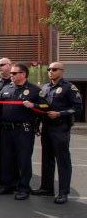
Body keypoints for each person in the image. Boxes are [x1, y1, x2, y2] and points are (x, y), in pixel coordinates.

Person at [32, 62, 83, 204]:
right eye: (49, 69)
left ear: (62, 71)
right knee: (47, 159)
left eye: (54, 69)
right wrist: (37, 123)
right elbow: (43, 106)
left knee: (63, 161)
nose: (50, 72)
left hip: (61, 128)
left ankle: (63, 192)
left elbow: (77, 108)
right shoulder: (46, 87)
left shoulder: (69, 88)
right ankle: (46, 188)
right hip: (47, 127)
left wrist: (60, 114)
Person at [0, 63, 42, 200]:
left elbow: (46, 106)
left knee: (23, 159)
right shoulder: (6, 88)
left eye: (14, 73)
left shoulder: (34, 90)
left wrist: (34, 105)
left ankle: (24, 188)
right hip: (6, 129)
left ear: (23, 74)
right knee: (6, 158)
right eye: (12, 73)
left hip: (24, 130)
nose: (11, 76)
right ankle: (8, 185)